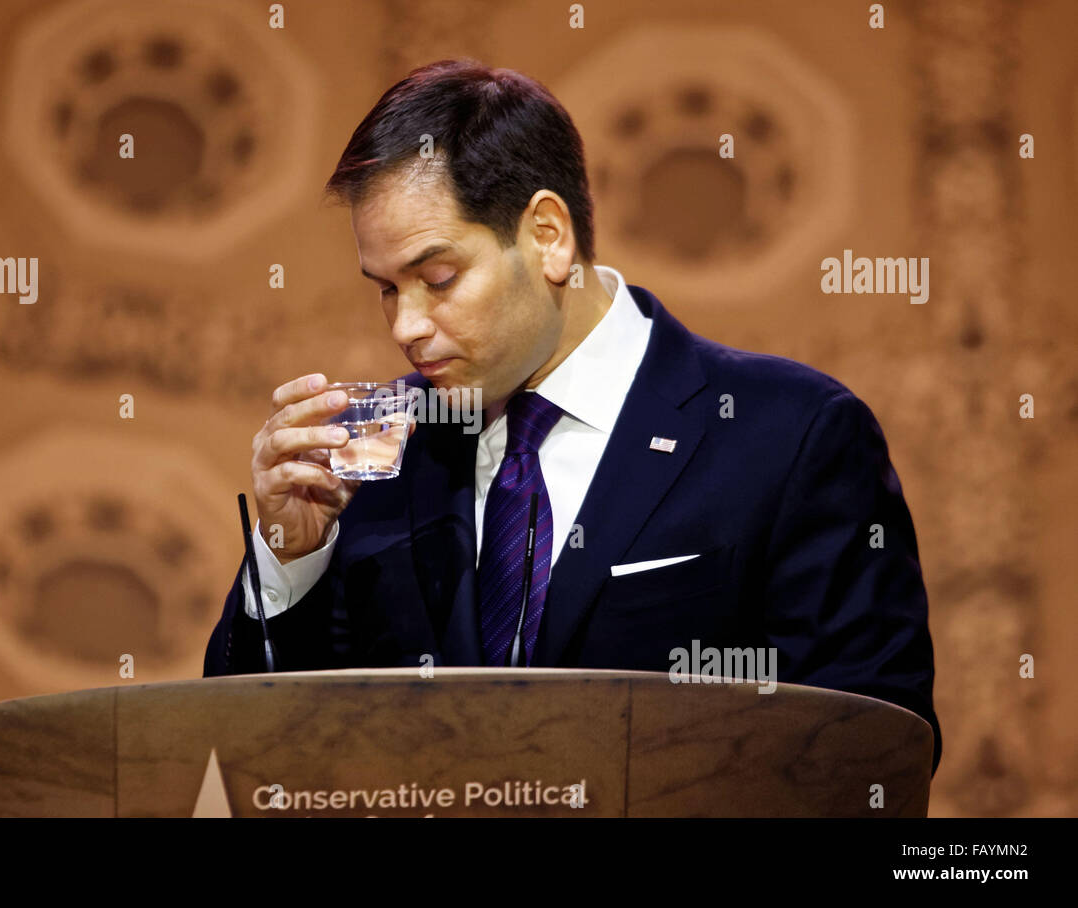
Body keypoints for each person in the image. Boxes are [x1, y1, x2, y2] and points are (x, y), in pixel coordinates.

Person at [203, 59, 941, 775]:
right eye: (387, 290)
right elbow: (257, 755)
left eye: (436, 278)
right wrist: (289, 560)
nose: (406, 326)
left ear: (549, 236)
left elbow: (871, 750)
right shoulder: (386, 448)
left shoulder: (790, 435)